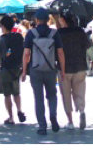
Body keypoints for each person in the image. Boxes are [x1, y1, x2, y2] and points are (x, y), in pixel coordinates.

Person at [21, 8, 66, 136]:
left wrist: (24, 71)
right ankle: (53, 115)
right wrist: (62, 70)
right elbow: (60, 53)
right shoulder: (54, 33)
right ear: (47, 20)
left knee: (38, 98)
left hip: (35, 70)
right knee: (52, 95)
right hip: (51, 69)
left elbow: (26, 53)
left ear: (36, 20)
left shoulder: (31, 33)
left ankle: (42, 126)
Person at [0, 15, 27, 125]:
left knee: (7, 94)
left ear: (3, 26)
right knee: (16, 93)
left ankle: (11, 117)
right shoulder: (19, 37)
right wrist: (24, 69)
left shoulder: (1, 40)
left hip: (5, 69)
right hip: (16, 69)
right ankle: (19, 110)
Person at [57, 12, 89, 129]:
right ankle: (81, 111)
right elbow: (87, 45)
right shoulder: (80, 31)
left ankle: (70, 121)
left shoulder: (59, 33)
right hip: (80, 66)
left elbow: (57, 51)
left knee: (66, 94)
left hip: (64, 68)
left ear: (63, 20)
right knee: (80, 91)